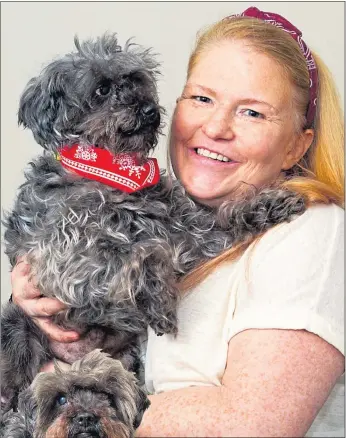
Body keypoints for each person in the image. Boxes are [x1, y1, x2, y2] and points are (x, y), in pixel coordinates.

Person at [10, 7, 344, 437]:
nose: (216, 126)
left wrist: (87, 414)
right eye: (202, 99)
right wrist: (38, 299)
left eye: (253, 113)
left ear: (297, 145)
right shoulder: (174, 210)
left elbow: (252, 426)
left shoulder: (314, 231)